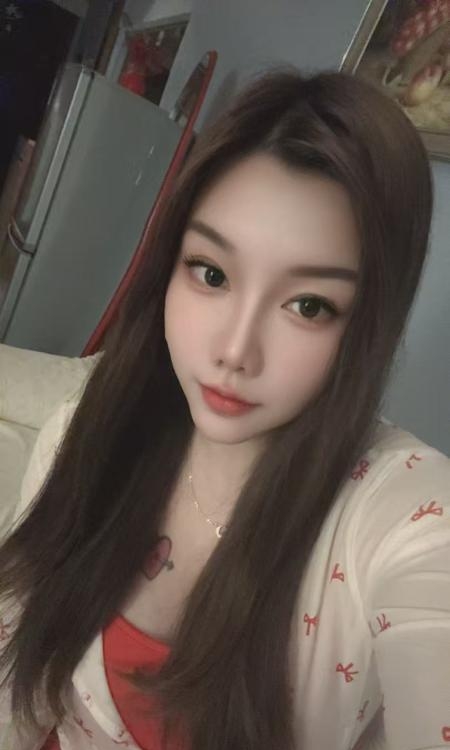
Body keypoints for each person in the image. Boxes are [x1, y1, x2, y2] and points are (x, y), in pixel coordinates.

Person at [0, 65, 449, 750]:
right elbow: (18, 687)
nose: (235, 351)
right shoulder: (83, 432)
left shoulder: (398, 518)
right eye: (211, 273)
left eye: (309, 305)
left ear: (367, 327)